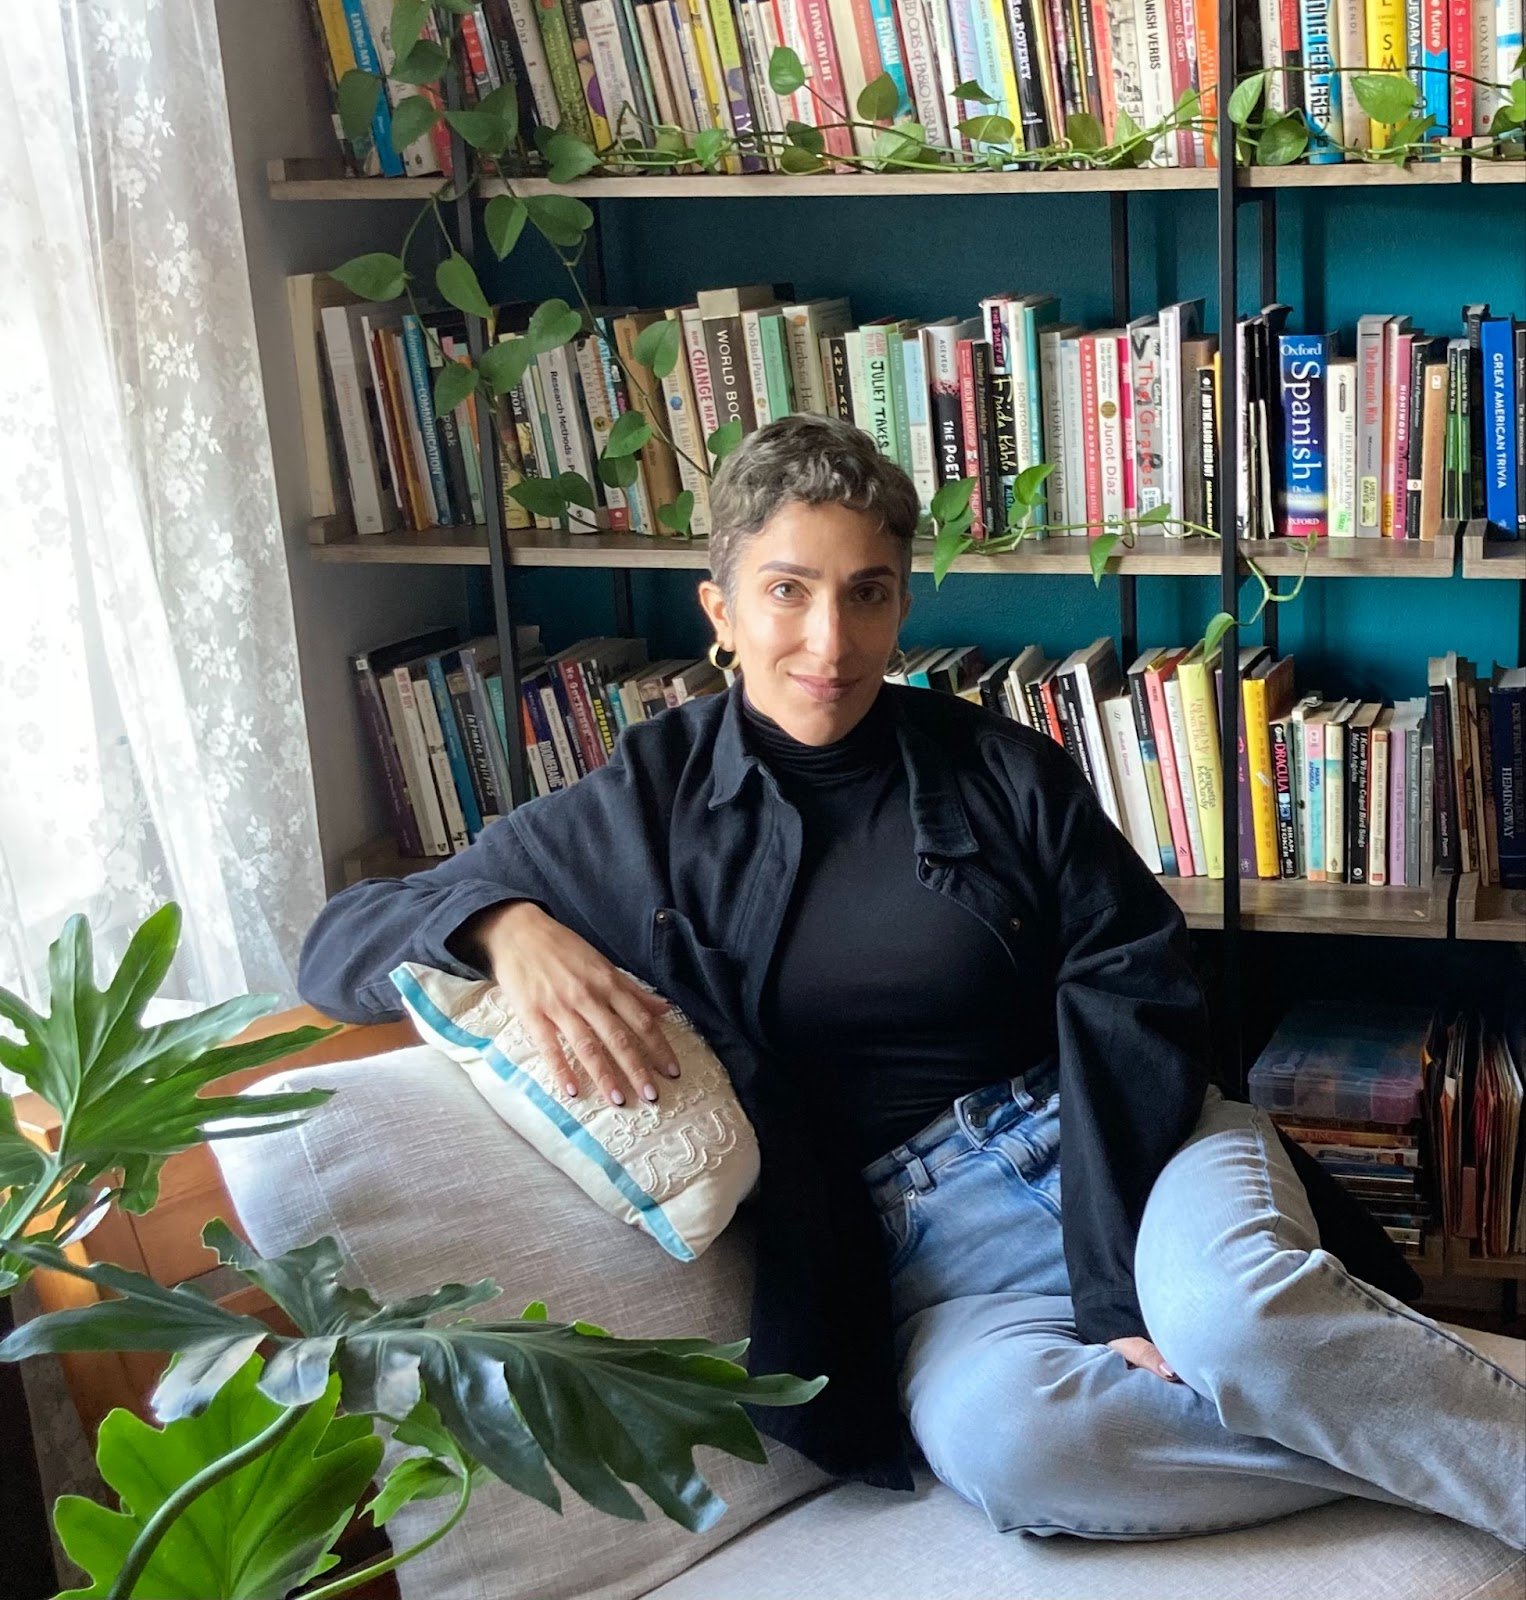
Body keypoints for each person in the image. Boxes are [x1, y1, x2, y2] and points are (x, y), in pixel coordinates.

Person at [300, 414, 1525, 1547]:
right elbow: (336, 941)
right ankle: (1409, 1426)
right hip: (919, 1252)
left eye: (866, 593)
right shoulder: (639, 804)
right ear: (718, 607)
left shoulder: (1002, 767)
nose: (828, 643)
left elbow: (1142, 989)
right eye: (786, 590)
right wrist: (501, 921)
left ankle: (1399, 1416)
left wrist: (1112, 1286)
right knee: (1012, 1447)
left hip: (1127, 1151)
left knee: (1233, 1320)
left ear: (899, 604)